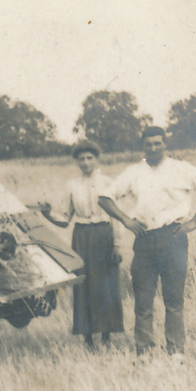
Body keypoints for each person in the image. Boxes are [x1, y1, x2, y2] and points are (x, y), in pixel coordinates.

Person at [98, 126, 196, 359]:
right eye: (149, 144)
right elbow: (104, 198)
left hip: (174, 237)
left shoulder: (181, 169)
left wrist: (195, 221)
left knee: (174, 299)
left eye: (158, 143)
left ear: (165, 144)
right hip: (145, 239)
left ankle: (176, 350)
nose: (154, 148)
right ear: (143, 146)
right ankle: (144, 351)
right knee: (143, 299)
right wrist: (127, 220)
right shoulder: (134, 172)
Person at [41, 141, 123, 348]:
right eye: (81, 159)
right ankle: (87, 338)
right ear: (76, 161)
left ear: (97, 159)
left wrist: (117, 244)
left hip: (104, 234)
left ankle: (106, 337)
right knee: (84, 285)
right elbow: (65, 218)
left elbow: (116, 217)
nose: (86, 163)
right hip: (82, 238)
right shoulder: (72, 185)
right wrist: (47, 214)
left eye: (89, 158)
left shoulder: (108, 182)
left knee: (105, 285)